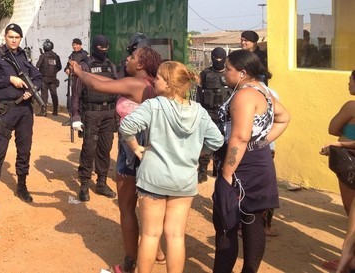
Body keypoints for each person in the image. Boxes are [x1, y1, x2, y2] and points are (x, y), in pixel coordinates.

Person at [119, 61, 224, 273]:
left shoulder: (153, 105)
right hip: (183, 180)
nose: (154, 80)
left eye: (158, 77)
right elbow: (217, 141)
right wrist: (194, 152)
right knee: (176, 236)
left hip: (154, 178)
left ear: (168, 84)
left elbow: (126, 126)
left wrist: (137, 148)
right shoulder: (199, 111)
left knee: (150, 234)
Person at [70, 42, 165, 273]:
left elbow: (98, 85)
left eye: (132, 57)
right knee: (150, 207)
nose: (127, 60)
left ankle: (130, 262)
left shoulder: (135, 83)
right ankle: (159, 253)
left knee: (127, 207)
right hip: (150, 150)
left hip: (131, 152)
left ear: (141, 63)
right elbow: (108, 83)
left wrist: (80, 72)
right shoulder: (151, 84)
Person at [212, 50, 291, 273]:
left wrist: (227, 175)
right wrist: (263, 143)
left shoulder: (245, 95)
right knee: (252, 219)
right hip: (258, 160)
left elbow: (240, 137)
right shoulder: (262, 89)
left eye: (228, 69)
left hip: (241, 166)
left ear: (242, 72)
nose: (224, 73)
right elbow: (284, 118)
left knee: (226, 222)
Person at [0, 23, 42, 212]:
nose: (14, 40)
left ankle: (22, 185)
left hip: (25, 110)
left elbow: (38, 77)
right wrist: (9, 79)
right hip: (6, 109)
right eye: (11, 37)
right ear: (5, 37)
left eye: (17, 37)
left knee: (24, 150)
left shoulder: (23, 56)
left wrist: (32, 92)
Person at [70, 34, 118, 202]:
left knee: (105, 149)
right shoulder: (85, 65)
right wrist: (75, 115)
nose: (104, 52)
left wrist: (117, 115)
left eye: (106, 49)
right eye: (101, 49)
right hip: (91, 113)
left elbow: (117, 90)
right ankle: (84, 184)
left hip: (108, 114)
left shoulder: (111, 66)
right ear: (95, 47)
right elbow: (75, 93)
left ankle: (102, 183)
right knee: (89, 148)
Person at [319, 70, 355, 271]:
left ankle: (347, 261)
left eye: (351, 81)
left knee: (351, 216)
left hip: (350, 165)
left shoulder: (351, 106)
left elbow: (333, 128)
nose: (348, 84)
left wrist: (342, 142)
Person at [196, 47, 232, 182]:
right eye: (215, 57)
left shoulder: (229, 73)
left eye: (220, 58)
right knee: (205, 140)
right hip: (208, 112)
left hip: (225, 114)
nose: (218, 60)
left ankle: (219, 168)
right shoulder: (205, 74)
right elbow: (198, 94)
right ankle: (203, 171)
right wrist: (198, 110)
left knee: (223, 142)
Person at [35, 39, 62, 116]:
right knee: (54, 94)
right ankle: (55, 111)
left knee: (44, 96)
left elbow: (37, 65)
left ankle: (43, 111)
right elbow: (59, 67)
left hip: (44, 79)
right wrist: (54, 72)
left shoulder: (43, 56)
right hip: (53, 78)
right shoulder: (56, 56)